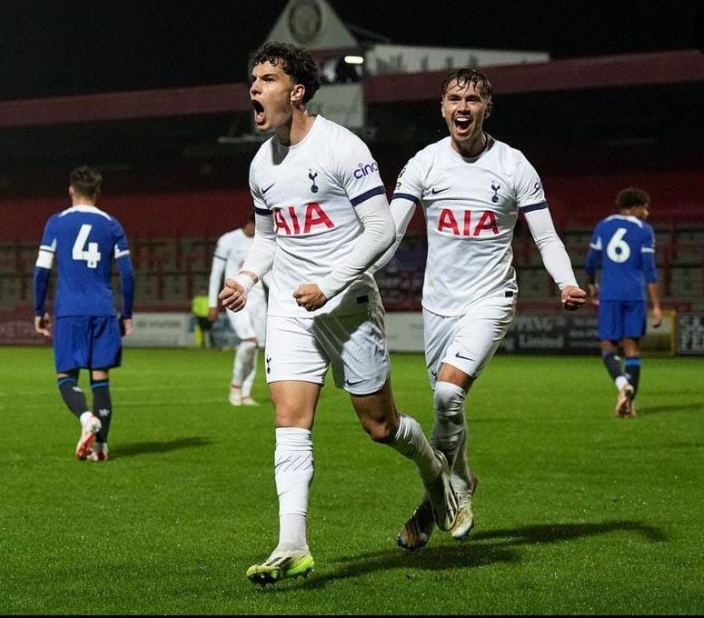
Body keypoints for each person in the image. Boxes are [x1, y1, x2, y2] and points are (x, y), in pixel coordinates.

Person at [219, 41, 456, 586]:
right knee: (289, 422)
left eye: (268, 79)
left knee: (381, 427)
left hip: (346, 306)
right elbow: (269, 240)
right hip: (291, 310)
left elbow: (381, 229)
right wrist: (247, 278)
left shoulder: (342, 148)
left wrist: (328, 284)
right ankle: (291, 545)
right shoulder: (261, 164)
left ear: (297, 92)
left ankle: (434, 468)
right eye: (253, 79)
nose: (255, 88)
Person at [371, 68, 587, 551]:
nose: (462, 107)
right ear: (442, 107)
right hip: (438, 307)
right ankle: (462, 480)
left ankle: (431, 508)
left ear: (487, 108)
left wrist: (566, 281)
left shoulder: (513, 166)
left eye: (472, 99)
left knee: (448, 397)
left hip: (490, 300)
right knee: (447, 408)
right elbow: (390, 230)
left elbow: (545, 235)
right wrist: (356, 272)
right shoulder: (425, 163)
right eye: (454, 99)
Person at [33, 166, 135, 462]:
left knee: (66, 375)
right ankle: (101, 447)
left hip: (69, 310)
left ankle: (86, 417)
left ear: (71, 190)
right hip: (103, 310)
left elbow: (42, 270)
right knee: (100, 378)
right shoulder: (112, 224)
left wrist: (39, 309)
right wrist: (126, 313)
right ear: (97, 192)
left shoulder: (57, 223)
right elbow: (127, 274)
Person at [584, 187, 662, 418]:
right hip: (635, 295)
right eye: (645, 208)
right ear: (633, 208)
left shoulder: (603, 226)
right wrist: (656, 305)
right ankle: (630, 402)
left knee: (609, 347)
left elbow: (590, 263)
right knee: (633, 349)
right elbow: (650, 270)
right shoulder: (645, 231)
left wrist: (591, 285)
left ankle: (621, 386)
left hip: (610, 294)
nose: (647, 213)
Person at [208, 212, 267, 406]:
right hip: (236, 298)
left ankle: (246, 394)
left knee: (257, 346)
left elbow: (267, 273)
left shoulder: (264, 240)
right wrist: (212, 304)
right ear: (250, 223)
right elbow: (216, 273)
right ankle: (235, 386)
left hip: (258, 300)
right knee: (249, 342)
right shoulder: (228, 240)